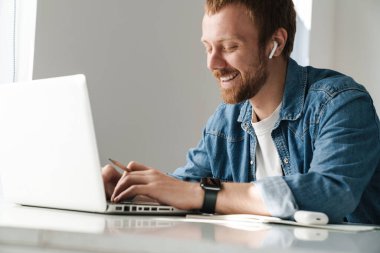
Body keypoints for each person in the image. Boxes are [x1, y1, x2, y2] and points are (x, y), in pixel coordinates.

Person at [102, 0, 380, 224]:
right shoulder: (225, 122)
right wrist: (127, 193)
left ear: (276, 44)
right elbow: (184, 189)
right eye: (208, 47)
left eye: (230, 47)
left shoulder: (340, 102)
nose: (212, 63)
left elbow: (331, 192)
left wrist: (204, 194)